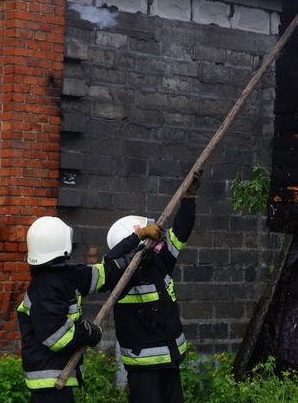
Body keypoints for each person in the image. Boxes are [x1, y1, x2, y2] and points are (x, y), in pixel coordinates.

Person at [17, 214, 163, 403]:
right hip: (48, 386)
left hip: (58, 381)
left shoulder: (67, 276)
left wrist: (137, 238)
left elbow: (107, 270)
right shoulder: (44, 289)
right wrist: (87, 332)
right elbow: (56, 338)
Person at [106, 170, 202, 403]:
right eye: (146, 237)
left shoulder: (160, 262)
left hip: (170, 360)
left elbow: (181, 231)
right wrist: (137, 236)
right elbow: (108, 261)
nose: (154, 239)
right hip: (143, 369)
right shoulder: (121, 276)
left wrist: (188, 198)